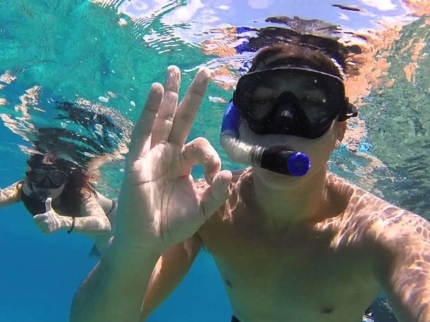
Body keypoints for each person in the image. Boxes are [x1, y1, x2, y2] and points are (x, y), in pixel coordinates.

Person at [70, 42, 430, 322]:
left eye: (312, 104)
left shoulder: (386, 234)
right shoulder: (206, 208)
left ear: (339, 129)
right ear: (236, 125)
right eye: (261, 102)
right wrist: (135, 246)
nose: (284, 121)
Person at [0, 128, 118, 258]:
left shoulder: (80, 193)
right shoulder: (24, 189)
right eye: (38, 176)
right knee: (105, 254)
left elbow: (103, 224)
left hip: (118, 219)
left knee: (109, 255)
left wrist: (62, 222)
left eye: (56, 178)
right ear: (30, 177)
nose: (46, 185)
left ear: (65, 180)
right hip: (94, 233)